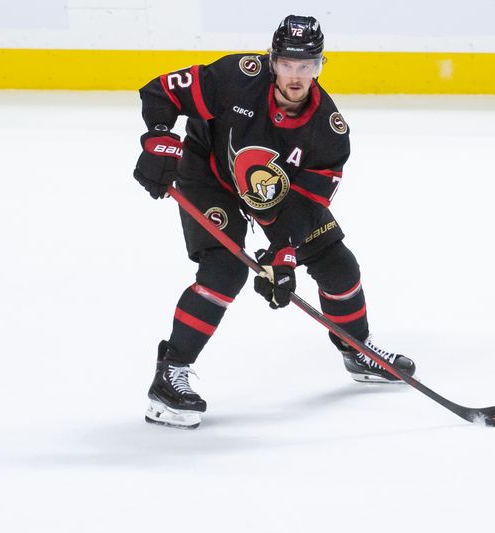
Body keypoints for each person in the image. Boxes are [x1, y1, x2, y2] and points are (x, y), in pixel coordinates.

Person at [133, 15, 416, 429]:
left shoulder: (330, 131)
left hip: (274, 196)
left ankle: (356, 348)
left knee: (338, 265)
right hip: (209, 178)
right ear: (272, 61)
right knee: (224, 270)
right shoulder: (236, 77)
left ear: (321, 66)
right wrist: (160, 139)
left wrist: (282, 252)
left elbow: (305, 205)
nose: (296, 76)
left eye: (307, 65)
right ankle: (169, 376)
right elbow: (161, 92)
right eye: (287, 64)